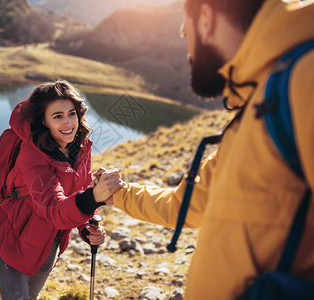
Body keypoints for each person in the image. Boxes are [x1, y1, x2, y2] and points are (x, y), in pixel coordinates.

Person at [94, 0, 314, 299]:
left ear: (207, 20)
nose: (187, 53)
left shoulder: (305, 78)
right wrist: (117, 193)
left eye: (187, 34)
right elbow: (183, 206)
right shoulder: (256, 107)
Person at [0, 80, 124, 299]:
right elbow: (53, 208)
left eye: (72, 113)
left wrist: (87, 227)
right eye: (57, 116)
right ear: (44, 121)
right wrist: (93, 197)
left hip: (49, 245)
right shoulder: (31, 154)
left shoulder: (80, 149)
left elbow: (77, 193)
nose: (68, 122)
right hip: (11, 240)